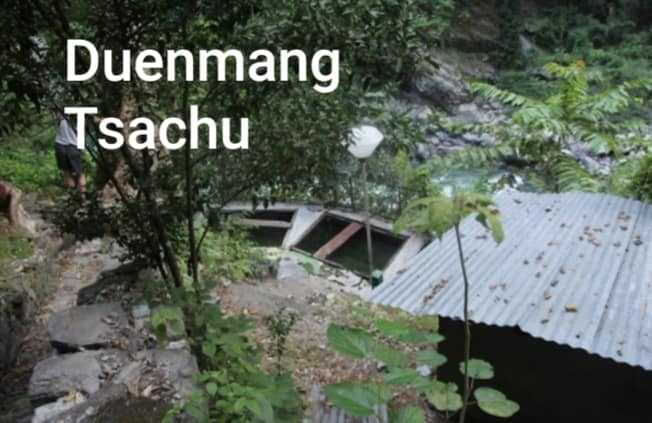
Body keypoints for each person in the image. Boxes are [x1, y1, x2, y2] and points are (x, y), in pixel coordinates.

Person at [53, 109, 86, 193]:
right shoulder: (78, 120)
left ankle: (72, 194)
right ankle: (82, 195)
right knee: (80, 173)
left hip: (60, 146)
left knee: (66, 173)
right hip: (72, 146)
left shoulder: (61, 119)